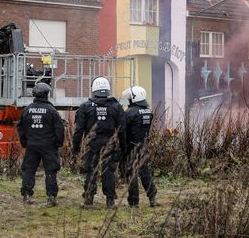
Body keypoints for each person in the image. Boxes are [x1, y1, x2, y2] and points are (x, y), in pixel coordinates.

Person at [72, 77, 124, 208]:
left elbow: (78, 130)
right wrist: (123, 147)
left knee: (91, 171)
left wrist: (76, 148)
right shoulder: (116, 106)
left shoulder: (85, 107)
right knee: (109, 171)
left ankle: (88, 200)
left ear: (93, 89)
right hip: (109, 143)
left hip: (92, 144)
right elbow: (122, 130)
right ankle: (110, 201)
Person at [17, 83, 65, 207]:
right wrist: (58, 144)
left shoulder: (27, 110)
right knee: (51, 171)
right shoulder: (52, 111)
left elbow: (21, 127)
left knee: (29, 170)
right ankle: (51, 197)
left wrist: (25, 142)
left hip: (32, 145)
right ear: (46, 95)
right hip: (49, 146)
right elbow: (59, 129)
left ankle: (26, 195)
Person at [122, 86, 157, 208]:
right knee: (145, 171)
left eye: (130, 97)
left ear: (135, 98)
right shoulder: (148, 112)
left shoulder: (130, 112)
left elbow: (123, 131)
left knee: (132, 173)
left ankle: (133, 201)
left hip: (132, 147)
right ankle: (152, 196)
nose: (129, 99)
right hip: (144, 146)